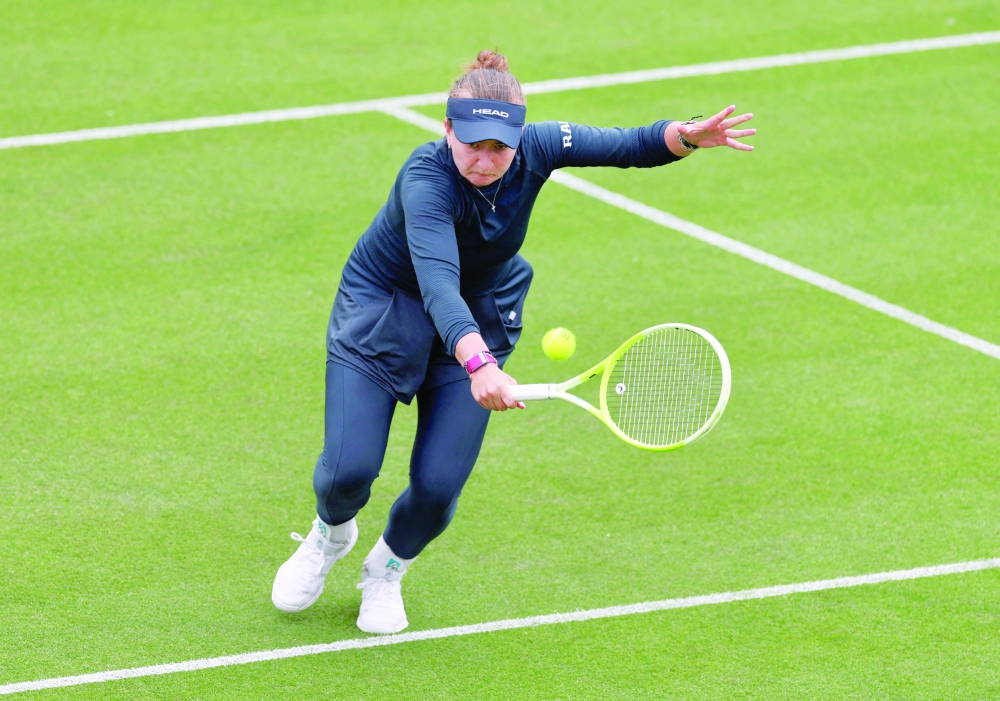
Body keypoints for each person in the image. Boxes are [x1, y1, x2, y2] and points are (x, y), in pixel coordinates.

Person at [272, 50, 755, 634]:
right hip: (387, 309)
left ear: (519, 139)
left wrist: (687, 136)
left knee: (439, 487)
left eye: (499, 148)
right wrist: (479, 364)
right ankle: (329, 535)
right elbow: (438, 283)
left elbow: (629, 144)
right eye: (471, 144)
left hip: (481, 312)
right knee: (347, 472)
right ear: (447, 128)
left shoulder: (540, 147)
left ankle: (387, 568)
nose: (484, 160)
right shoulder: (425, 180)